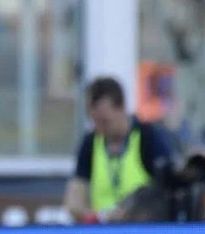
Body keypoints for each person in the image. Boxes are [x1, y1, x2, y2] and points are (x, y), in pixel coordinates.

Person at [63, 77, 174, 223]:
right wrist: (95, 216)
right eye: (94, 121)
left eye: (105, 121)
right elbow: (75, 197)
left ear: (122, 108)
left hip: (141, 229)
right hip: (102, 230)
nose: (99, 128)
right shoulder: (90, 143)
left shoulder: (149, 137)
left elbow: (166, 190)